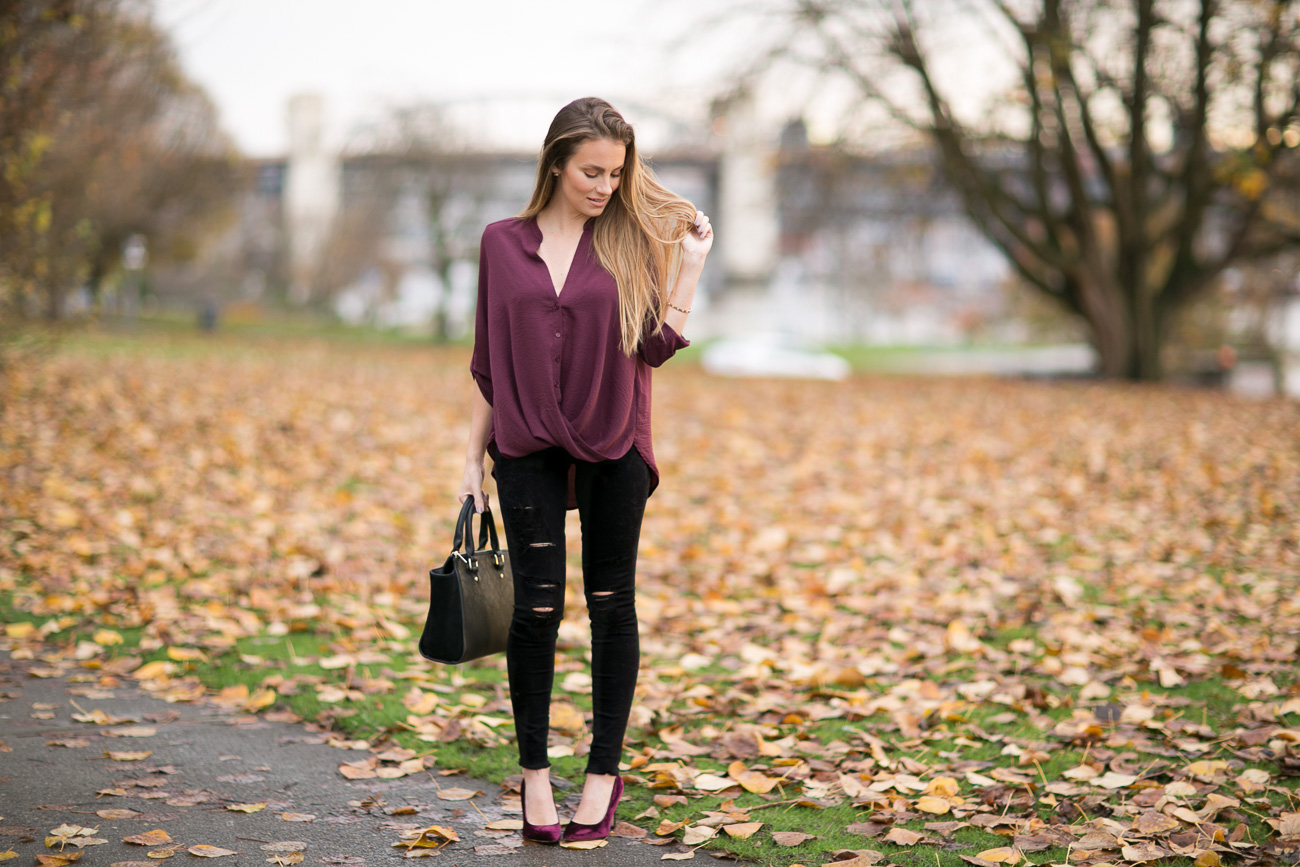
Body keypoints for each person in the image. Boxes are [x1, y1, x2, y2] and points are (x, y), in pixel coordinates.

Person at [458, 97, 714, 845]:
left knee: (611, 603)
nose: (605, 186)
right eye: (591, 172)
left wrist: (690, 267)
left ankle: (602, 776)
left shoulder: (634, 241)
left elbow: (657, 344)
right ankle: (534, 777)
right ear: (555, 164)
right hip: (527, 441)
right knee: (535, 609)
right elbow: (488, 362)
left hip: (615, 440)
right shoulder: (501, 244)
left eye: (616, 173)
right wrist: (470, 460)